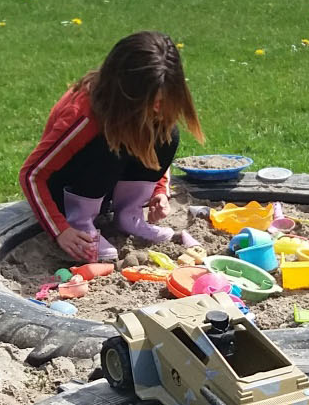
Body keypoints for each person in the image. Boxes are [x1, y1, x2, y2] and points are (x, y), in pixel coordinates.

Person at [21, 31, 203, 263]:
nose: (158, 108)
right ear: (126, 91)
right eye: (153, 101)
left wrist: (159, 191)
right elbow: (32, 174)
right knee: (109, 142)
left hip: (107, 183)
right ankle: (81, 222)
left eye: (163, 100)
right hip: (68, 188)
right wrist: (61, 230)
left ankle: (129, 215)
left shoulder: (146, 110)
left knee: (167, 132)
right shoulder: (83, 116)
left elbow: (152, 145)